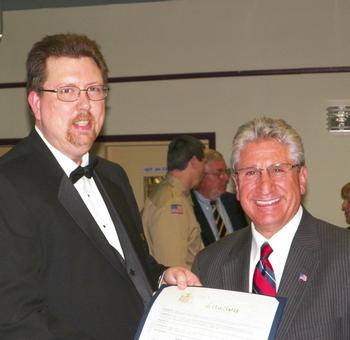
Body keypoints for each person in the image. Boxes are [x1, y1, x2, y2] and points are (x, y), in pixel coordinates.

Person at [0, 33, 200, 340]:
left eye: (93, 90)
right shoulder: (8, 182)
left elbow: (132, 263)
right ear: (36, 103)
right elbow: (15, 316)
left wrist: (162, 276)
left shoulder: (113, 176)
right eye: (67, 91)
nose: (85, 104)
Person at [192, 117, 350, 339]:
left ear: (302, 178)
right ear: (236, 186)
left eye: (277, 170)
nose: (265, 186)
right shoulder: (209, 265)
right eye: (251, 172)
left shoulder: (344, 256)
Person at [142, 135, 205, 268]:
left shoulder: (173, 194)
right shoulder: (172, 203)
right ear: (193, 161)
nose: (203, 170)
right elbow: (172, 267)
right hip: (182, 287)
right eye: (202, 163)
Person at [191, 148, 247, 246]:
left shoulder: (236, 202)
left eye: (226, 172)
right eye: (218, 173)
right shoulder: (189, 206)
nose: (226, 178)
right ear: (200, 176)